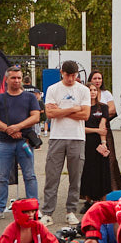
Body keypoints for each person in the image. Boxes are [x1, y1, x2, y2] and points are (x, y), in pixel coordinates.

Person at [0, 65, 42, 222]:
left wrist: (18, 127)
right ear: (7, 79)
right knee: (2, 176)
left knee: (29, 175)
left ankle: (33, 208)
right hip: (5, 143)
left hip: (25, 142)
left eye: (19, 78)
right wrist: (8, 130)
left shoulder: (30, 97)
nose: (16, 80)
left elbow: (36, 117)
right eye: (13, 78)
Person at [42, 61, 91, 226]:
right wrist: (73, 109)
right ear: (62, 72)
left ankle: (71, 211)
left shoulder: (83, 90)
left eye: (74, 75)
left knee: (75, 177)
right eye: (67, 75)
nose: (70, 79)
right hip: (57, 137)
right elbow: (49, 113)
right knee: (52, 177)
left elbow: (85, 115)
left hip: (77, 137)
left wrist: (61, 111)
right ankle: (48, 212)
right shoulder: (53, 89)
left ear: (77, 74)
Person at [80, 84, 113, 204]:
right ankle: (88, 200)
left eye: (95, 90)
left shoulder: (103, 107)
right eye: (90, 90)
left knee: (102, 171)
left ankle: (102, 201)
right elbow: (80, 128)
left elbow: (102, 125)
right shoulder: (82, 108)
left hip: (99, 142)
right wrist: (95, 131)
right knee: (88, 170)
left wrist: (103, 142)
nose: (92, 92)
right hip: (85, 142)